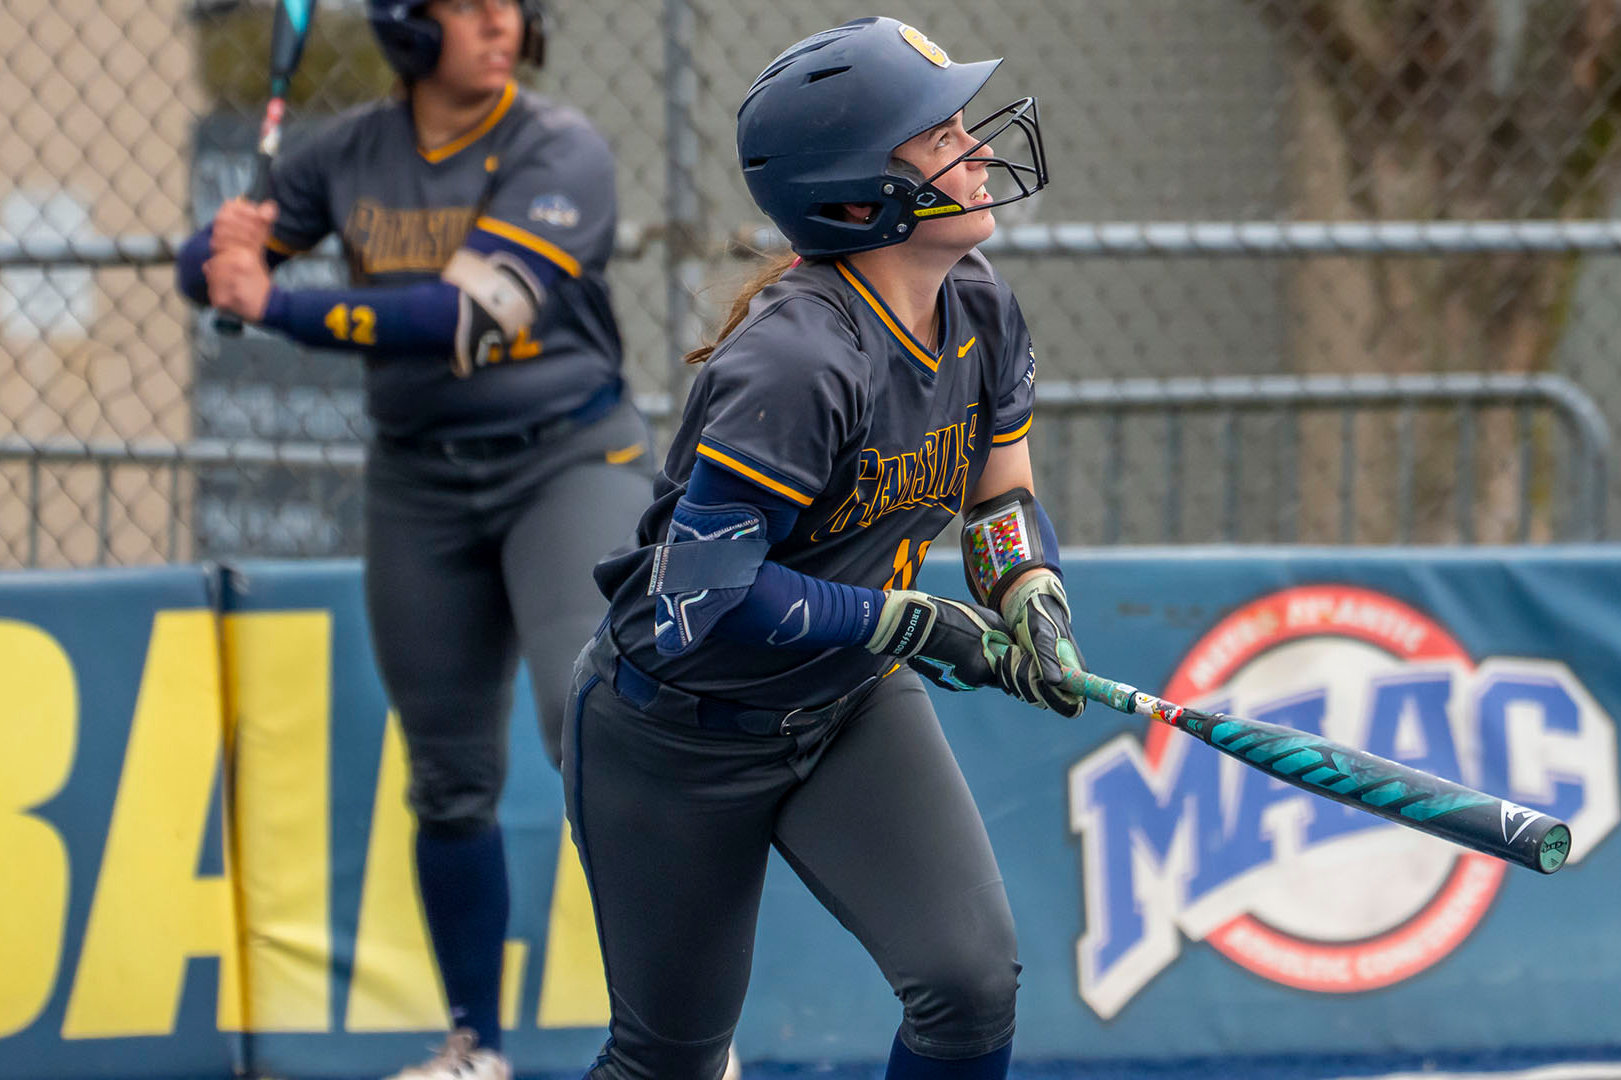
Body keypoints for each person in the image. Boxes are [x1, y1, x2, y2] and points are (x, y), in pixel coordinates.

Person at [565, 16, 1088, 1080]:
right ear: (860, 198)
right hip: (679, 732)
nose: (977, 148)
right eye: (939, 137)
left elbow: (1000, 500)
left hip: (846, 702)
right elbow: (698, 601)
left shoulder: (980, 310)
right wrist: (916, 622)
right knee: (669, 1056)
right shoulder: (799, 362)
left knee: (970, 986)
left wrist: (1031, 589)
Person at [174, 2, 672, 1077]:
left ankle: (685, 1041)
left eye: (511, 6)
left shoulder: (559, 147)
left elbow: (475, 317)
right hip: (419, 484)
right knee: (447, 781)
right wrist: (221, 247)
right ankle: (474, 1050)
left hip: (568, 460)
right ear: (408, 24)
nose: (505, 21)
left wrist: (273, 304)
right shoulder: (348, 152)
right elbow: (206, 272)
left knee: (595, 726)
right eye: (471, 5)